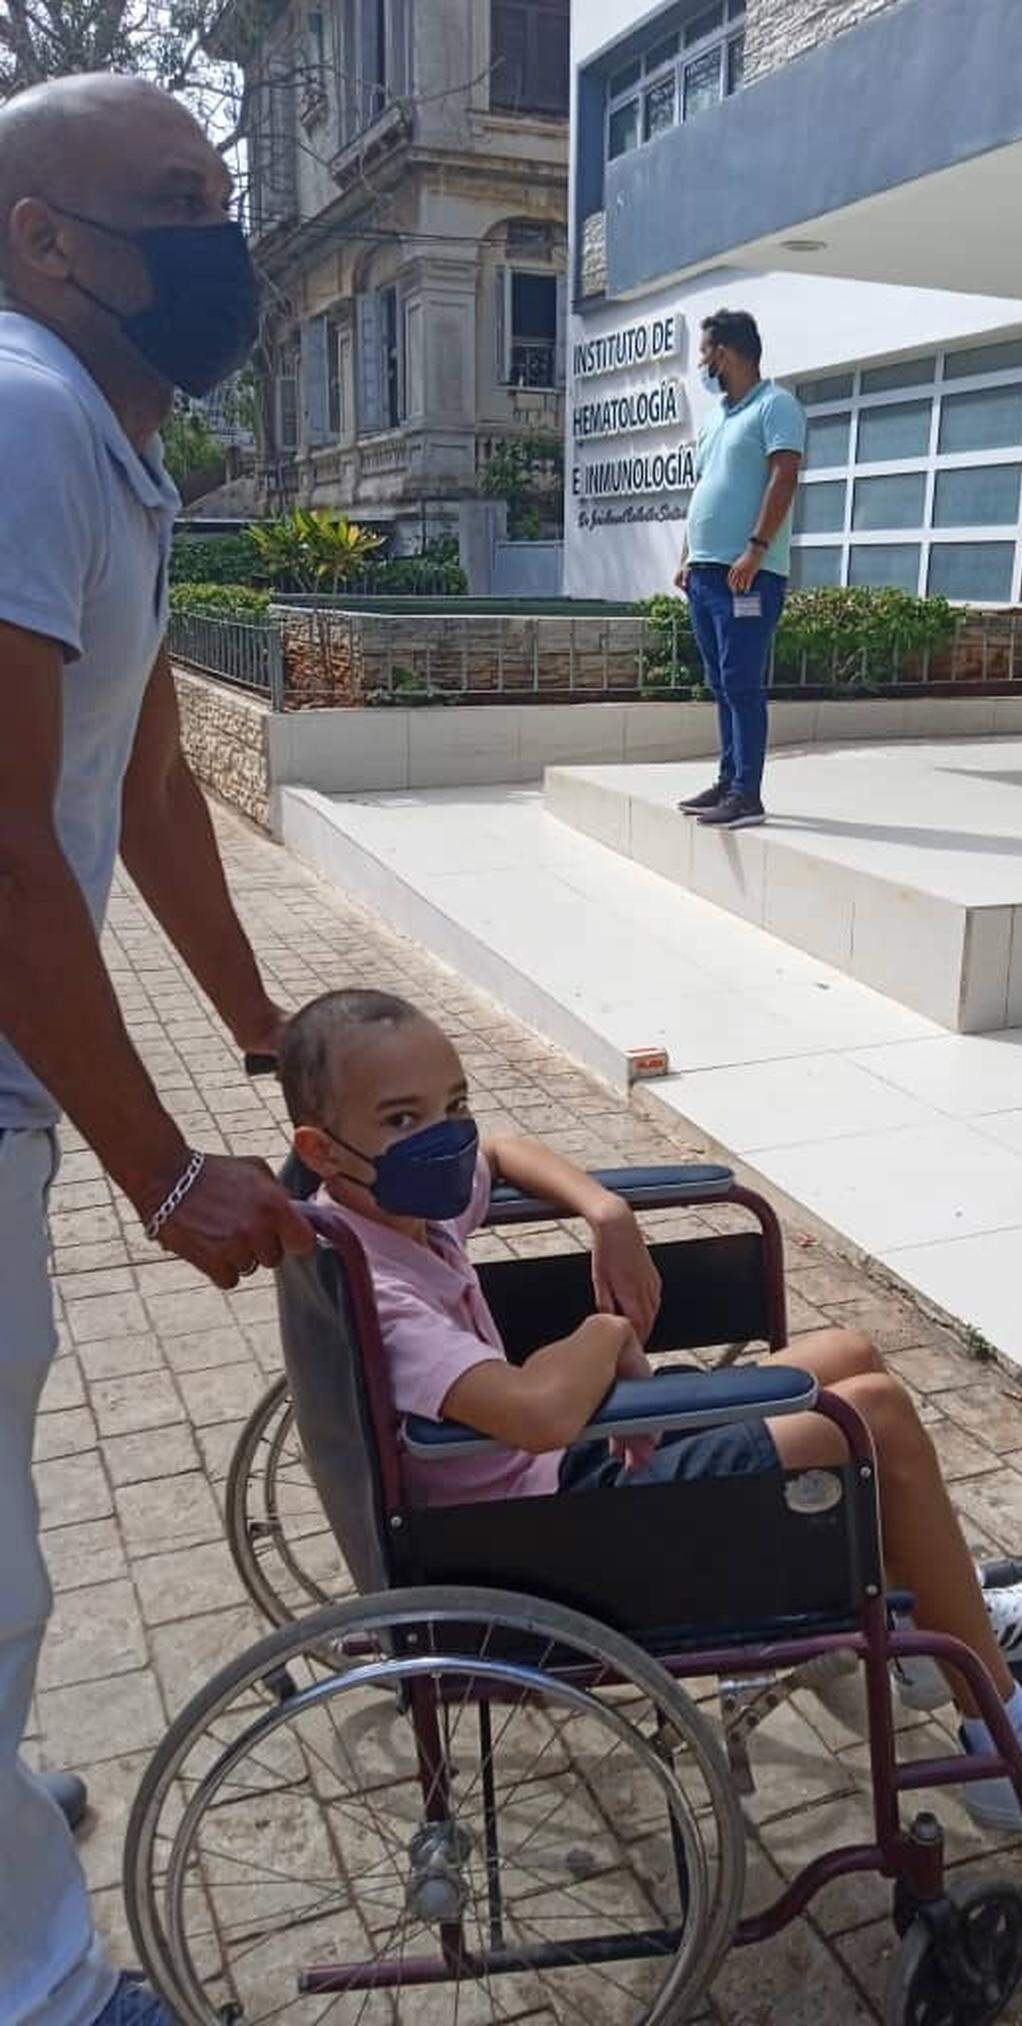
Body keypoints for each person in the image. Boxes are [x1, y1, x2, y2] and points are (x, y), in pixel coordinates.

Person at [279, 988, 1022, 1839]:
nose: (444, 1136)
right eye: (403, 1120)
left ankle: (942, 1617)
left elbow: (501, 1153)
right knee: (869, 1417)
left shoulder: (379, 1212)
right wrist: (605, 1326)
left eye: (454, 1104)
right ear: (323, 1148)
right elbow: (539, 1413)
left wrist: (604, 1211)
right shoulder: (385, 1291)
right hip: (541, 1540)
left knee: (848, 1354)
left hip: (549, 1484)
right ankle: (1012, 1746)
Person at [0, 75, 314, 2026]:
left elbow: (151, 778)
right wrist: (163, 1165)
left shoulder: (109, 447)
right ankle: (40, 1985)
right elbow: (3, 839)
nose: (225, 237)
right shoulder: (25, 416)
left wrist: (267, 1027)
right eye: (179, 200)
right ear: (47, 240)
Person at [674, 308, 805, 830]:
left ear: (724, 353)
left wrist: (755, 548)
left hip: (747, 573)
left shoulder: (777, 406)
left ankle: (747, 793)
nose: (702, 363)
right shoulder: (716, 420)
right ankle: (728, 782)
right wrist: (686, 557)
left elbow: (784, 477)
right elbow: (702, 491)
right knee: (721, 683)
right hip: (705, 575)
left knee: (742, 682)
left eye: (705, 352)